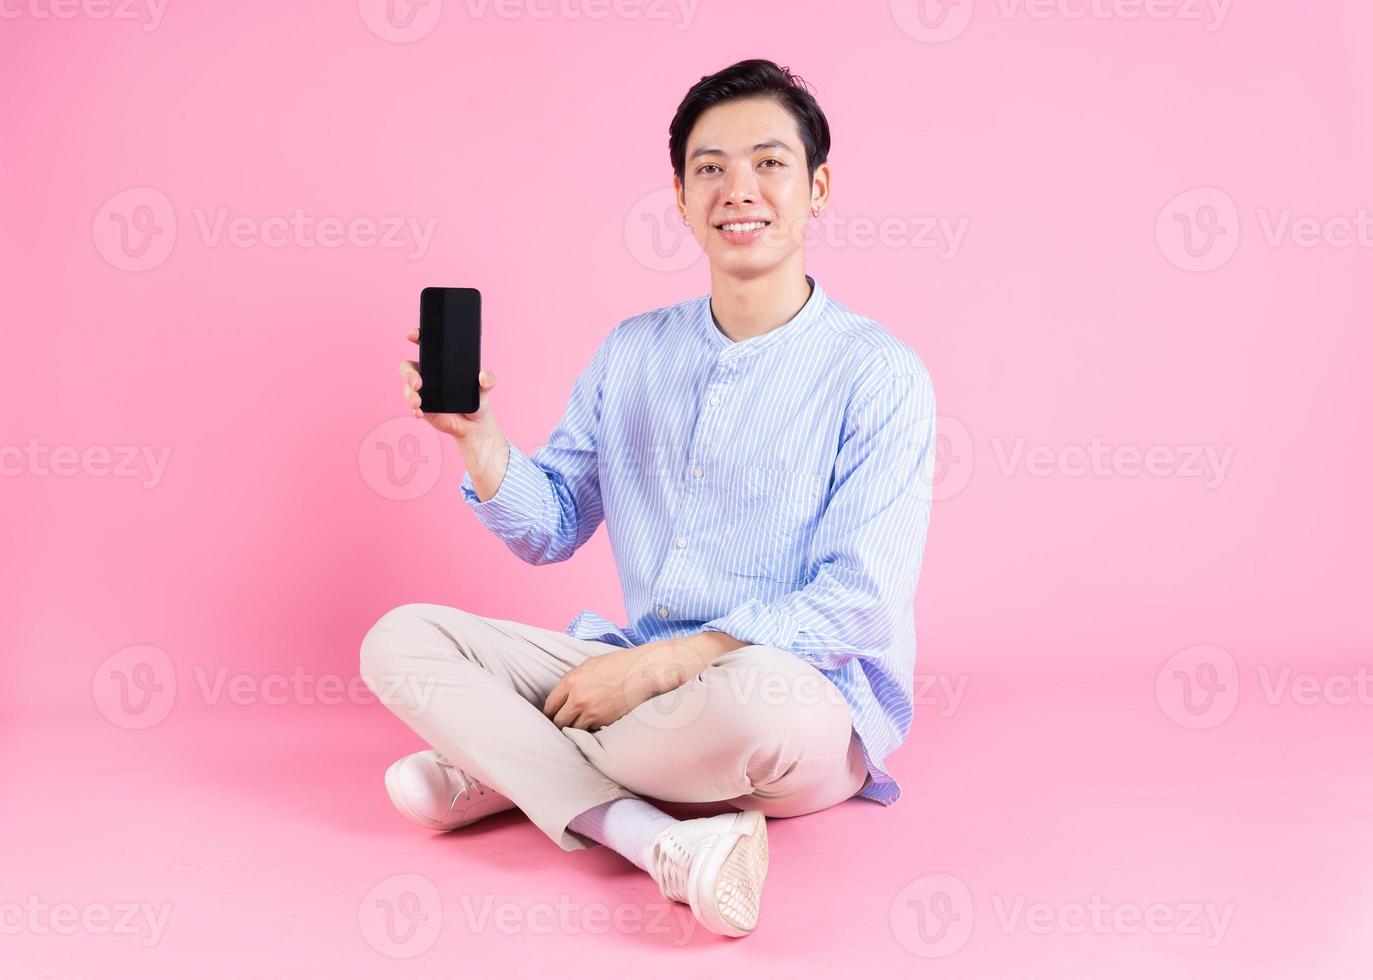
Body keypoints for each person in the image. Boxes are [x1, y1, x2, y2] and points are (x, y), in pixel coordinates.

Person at [361, 58, 937, 939]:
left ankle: (507, 766)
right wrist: (478, 440)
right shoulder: (630, 352)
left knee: (752, 700)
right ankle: (654, 841)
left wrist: (668, 663)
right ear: (678, 196)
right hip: (634, 684)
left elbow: (859, 604)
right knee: (400, 640)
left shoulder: (879, 375)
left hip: (787, 699)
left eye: (768, 163)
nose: (738, 189)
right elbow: (550, 528)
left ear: (817, 187)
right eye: (709, 167)